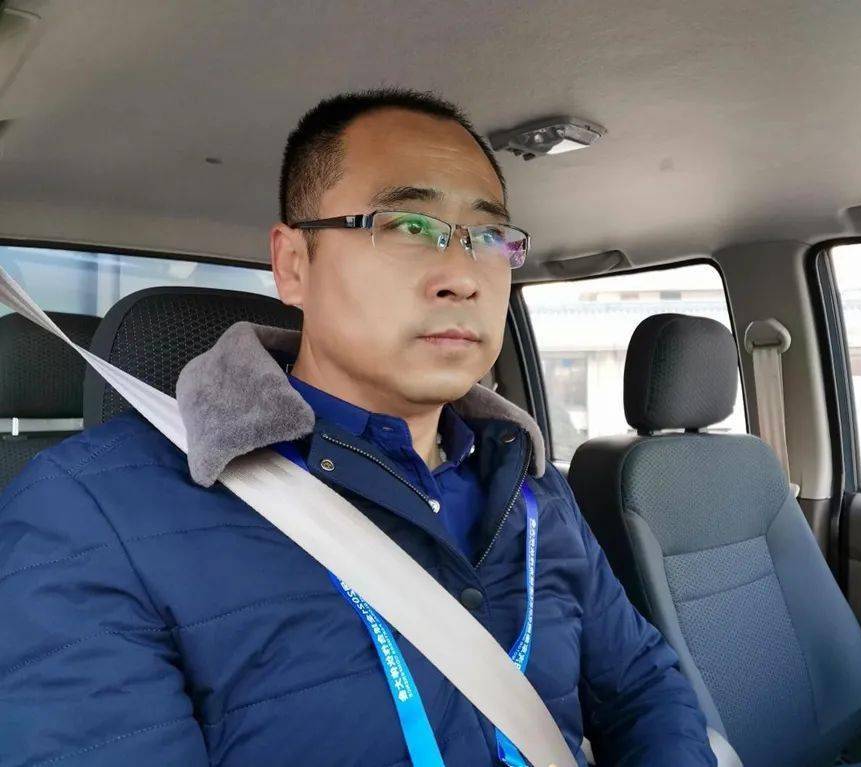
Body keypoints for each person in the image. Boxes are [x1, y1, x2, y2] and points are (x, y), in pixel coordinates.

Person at [0, 89, 715, 766]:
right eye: (408, 226)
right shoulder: (89, 512)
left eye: (490, 236)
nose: (464, 275)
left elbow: (645, 688)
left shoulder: (532, 488)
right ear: (293, 265)